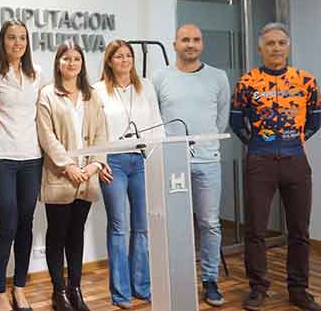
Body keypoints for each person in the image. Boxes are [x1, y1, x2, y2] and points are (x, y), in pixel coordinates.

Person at [230, 23, 321, 311]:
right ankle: (258, 288)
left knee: (299, 230)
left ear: (288, 46)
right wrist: (255, 143)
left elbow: (316, 118)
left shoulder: (306, 80)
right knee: (255, 228)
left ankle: (298, 289)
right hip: (260, 160)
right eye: (270, 43)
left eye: (281, 43)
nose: (276, 48)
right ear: (261, 48)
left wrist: (296, 139)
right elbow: (235, 120)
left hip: (295, 160)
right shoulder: (248, 81)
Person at [152, 23, 231, 307]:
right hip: (172, 162)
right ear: (174, 44)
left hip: (208, 160)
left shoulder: (218, 77)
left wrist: (206, 142)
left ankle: (210, 280)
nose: (191, 44)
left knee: (209, 223)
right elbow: (155, 118)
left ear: (202, 44)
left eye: (196, 39)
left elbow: (221, 118)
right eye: (185, 39)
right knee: (175, 224)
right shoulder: (159, 77)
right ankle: (177, 277)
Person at [36, 42, 109, 311]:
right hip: (61, 175)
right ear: (58, 63)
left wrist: (95, 166)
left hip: (87, 176)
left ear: (82, 63)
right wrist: (68, 166)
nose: (71, 63)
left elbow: (102, 133)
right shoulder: (48, 94)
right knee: (57, 233)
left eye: (76, 58)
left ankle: (75, 289)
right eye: (66, 58)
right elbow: (47, 136)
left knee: (76, 233)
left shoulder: (92, 95)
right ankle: (59, 292)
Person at [0, 19, 42, 311]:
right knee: (8, 224)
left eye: (22, 38)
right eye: (12, 38)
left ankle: (19, 288)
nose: (17, 43)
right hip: (1, 157)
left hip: (32, 157)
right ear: (2, 42)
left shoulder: (37, 74)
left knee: (26, 224)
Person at [93, 39, 163, 309]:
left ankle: (142, 287)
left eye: (128, 56)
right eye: (118, 56)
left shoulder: (145, 86)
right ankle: (120, 293)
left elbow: (157, 124)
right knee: (119, 227)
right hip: (114, 162)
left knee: (143, 227)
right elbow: (93, 128)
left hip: (142, 159)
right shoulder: (98, 90)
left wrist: (157, 160)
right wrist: (98, 160)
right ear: (109, 61)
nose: (124, 60)